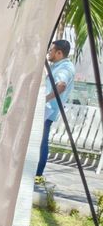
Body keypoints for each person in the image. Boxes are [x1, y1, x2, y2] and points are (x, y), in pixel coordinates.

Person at [36, 40, 75, 182]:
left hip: (47, 110)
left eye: (51, 50)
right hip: (46, 109)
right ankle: (36, 173)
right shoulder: (58, 66)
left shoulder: (65, 68)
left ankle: (37, 174)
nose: (48, 53)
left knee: (41, 141)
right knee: (40, 140)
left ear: (59, 53)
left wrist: (44, 100)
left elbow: (61, 86)